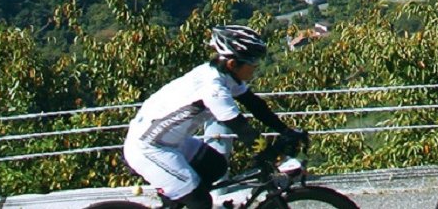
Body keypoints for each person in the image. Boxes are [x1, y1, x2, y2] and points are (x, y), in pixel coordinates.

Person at [123, 25, 304, 209]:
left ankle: (175, 201)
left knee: (215, 166)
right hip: (149, 148)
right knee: (201, 202)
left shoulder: (225, 75)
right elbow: (242, 129)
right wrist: (277, 158)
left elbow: (256, 106)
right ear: (233, 63)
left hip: (171, 142)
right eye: (253, 62)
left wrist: (287, 131)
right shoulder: (213, 88)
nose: (256, 66)